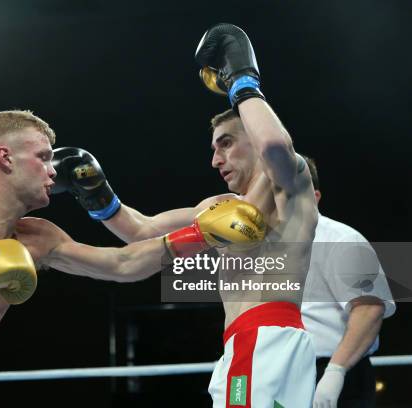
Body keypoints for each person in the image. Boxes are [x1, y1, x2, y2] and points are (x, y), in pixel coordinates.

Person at [0, 109, 265, 408]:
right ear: (5, 158)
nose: (54, 170)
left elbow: (122, 265)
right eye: (43, 157)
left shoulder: (38, 238)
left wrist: (197, 234)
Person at [51, 23, 319, 407]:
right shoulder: (216, 207)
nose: (216, 160)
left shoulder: (291, 183)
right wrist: (95, 192)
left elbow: (275, 144)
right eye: (213, 149)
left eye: (225, 144)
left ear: (252, 137)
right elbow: (139, 231)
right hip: (245, 344)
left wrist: (242, 80)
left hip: (267, 338)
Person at [300, 156, 396, 408]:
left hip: (337, 371)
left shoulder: (342, 239)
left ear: (315, 197)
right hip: (283, 373)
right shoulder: (268, 248)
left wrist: (336, 371)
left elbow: (369, 308)